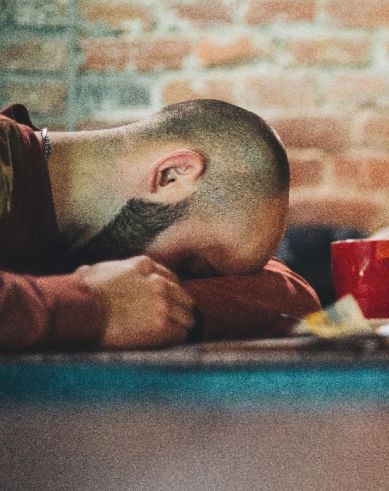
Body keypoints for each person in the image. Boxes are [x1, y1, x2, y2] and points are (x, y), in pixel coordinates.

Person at [0, 100, 320, 350]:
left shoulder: (71, 241)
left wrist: (158, 308)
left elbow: (291, 296)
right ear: (172, 175)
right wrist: (91, 307)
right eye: (193, 266)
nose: (172, 276)